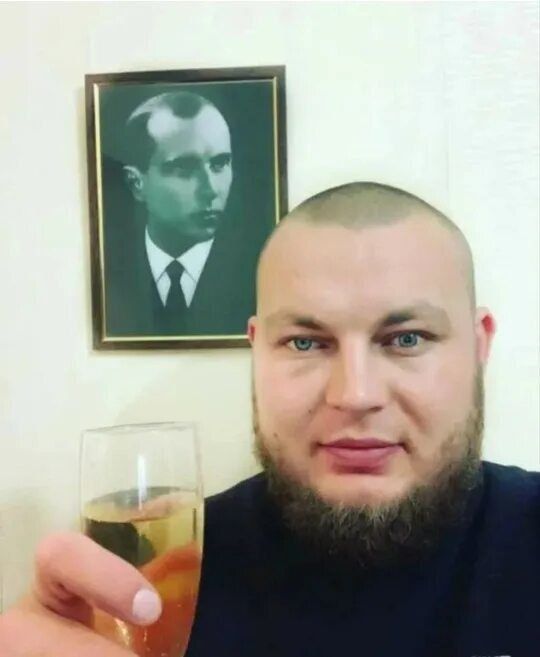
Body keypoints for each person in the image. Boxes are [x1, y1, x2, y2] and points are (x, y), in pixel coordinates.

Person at [1, 182, 538, 656]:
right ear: (257, 349)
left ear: (479, 345)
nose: (355, 394)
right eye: (305, 342)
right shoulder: (157, 576)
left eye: (407, 339)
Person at [104, 90, 256, 337]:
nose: (210, 190)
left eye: (219, 164)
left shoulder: (258, 271)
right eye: (184, 168)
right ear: (136, 183)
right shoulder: (106, 273)